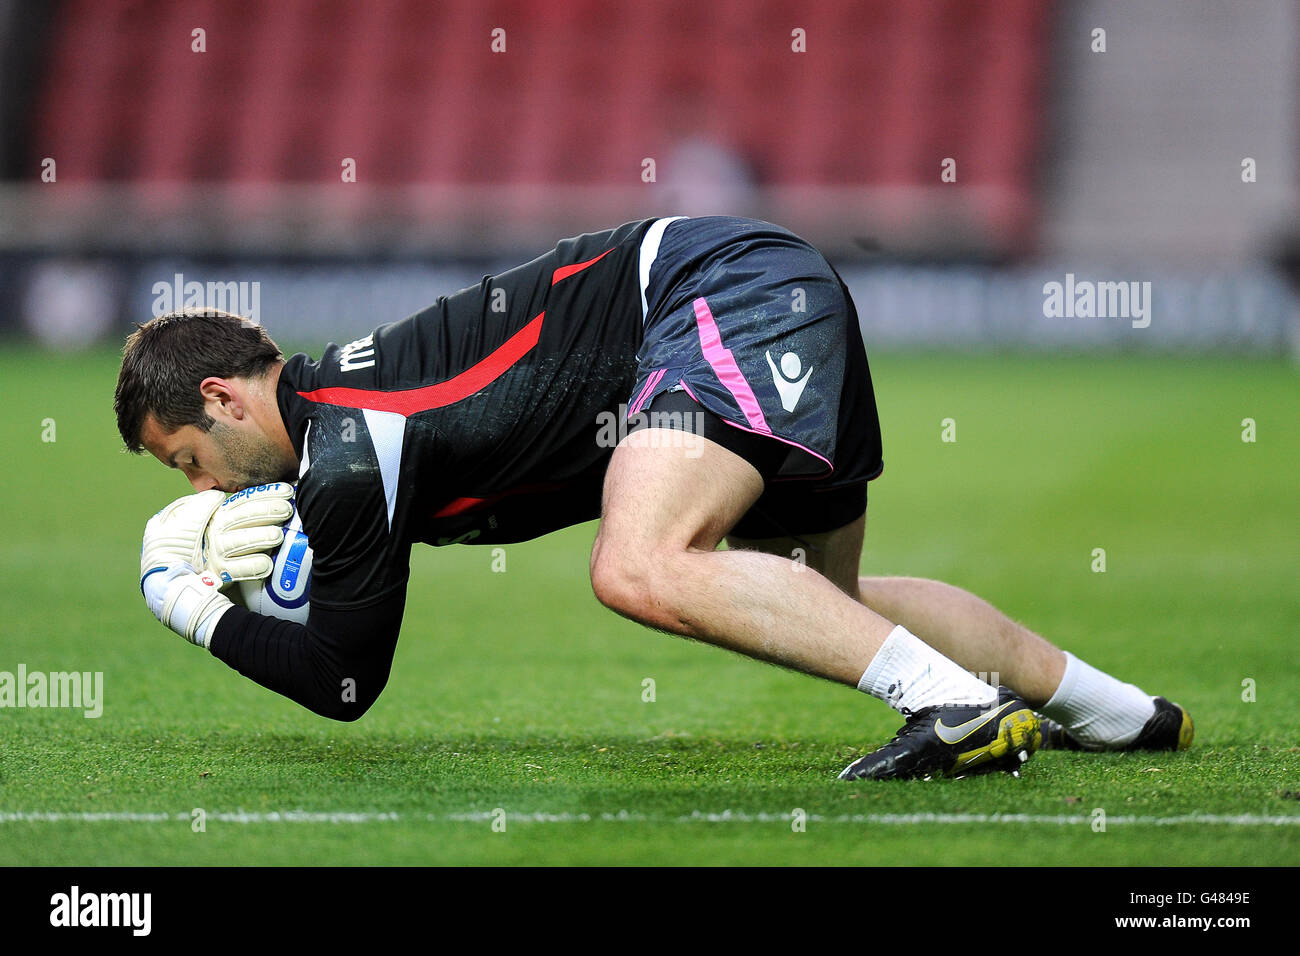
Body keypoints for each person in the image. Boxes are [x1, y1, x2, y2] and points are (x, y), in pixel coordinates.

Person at [115, 216, 1193, 781]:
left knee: (638, 563)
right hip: (743, 292)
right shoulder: (342, 434)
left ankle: (954, 706)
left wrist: (190, 601)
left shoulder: (348, 447)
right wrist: (265, 577)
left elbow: (344, 678)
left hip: (713, 291)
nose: (201, 487)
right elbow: (336, 609)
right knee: (832, 590)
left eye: (186, 460)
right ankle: (1124, 714)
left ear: (220, 395)